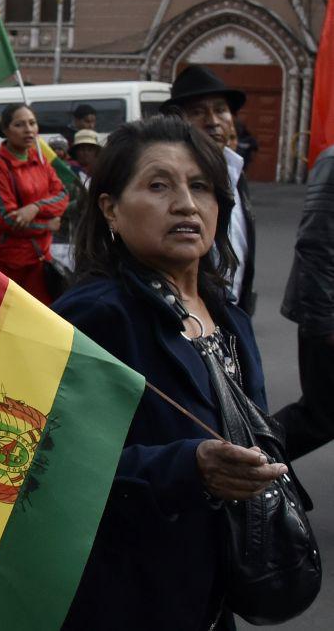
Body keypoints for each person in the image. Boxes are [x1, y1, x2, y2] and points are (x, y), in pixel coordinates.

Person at [54, 114, 286, 630]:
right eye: (158, 185)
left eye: (200, 186)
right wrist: (189, 466)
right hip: (122, 594)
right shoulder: (96, 315)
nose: (185, 203)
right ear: (111, 209)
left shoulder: (228, 314)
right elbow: (49, 466)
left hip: (209, 585)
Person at [163, 65, 256, 314]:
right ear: (179, 119)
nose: (213, 121)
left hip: (233, 315)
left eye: (220, 110)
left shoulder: (236, 173)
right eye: (198, 112)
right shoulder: (166, 179)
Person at [275, 144, 334, 459]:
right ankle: (241, 461)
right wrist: (325, 323)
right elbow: (316, 244)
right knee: (320, 416)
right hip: (325, 311)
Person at [0, 103, 68, 304]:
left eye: (32, 123)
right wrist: (47, 225)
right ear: (5, 130)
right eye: (20, 124)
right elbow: (7, 220)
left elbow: (62, 195)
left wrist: (35, 208)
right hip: (6, 264)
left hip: (39, 261)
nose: (28, 129)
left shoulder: (40, 160)